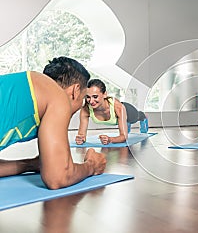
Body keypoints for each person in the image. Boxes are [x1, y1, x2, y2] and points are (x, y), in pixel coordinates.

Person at [0, 57, 106, 189]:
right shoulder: (58, 96)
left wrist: (29, 164)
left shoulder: (26, 86)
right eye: (84, 98)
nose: (82, 104)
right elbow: (57, 178)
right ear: (75, 90)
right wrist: (92, 165)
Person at [75, 79, 148, 145]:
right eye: (88, 97)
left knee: (137, 117)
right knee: (125, 124)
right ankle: (125, 124)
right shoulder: (85, 109)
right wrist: (80, 139)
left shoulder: (118, 107)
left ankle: (143, 116)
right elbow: (81, 135)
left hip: (128, 111)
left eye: (95, 97)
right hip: (120, 114)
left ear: (104, 94)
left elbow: (124, 137)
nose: (91, 101)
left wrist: (110, 139)